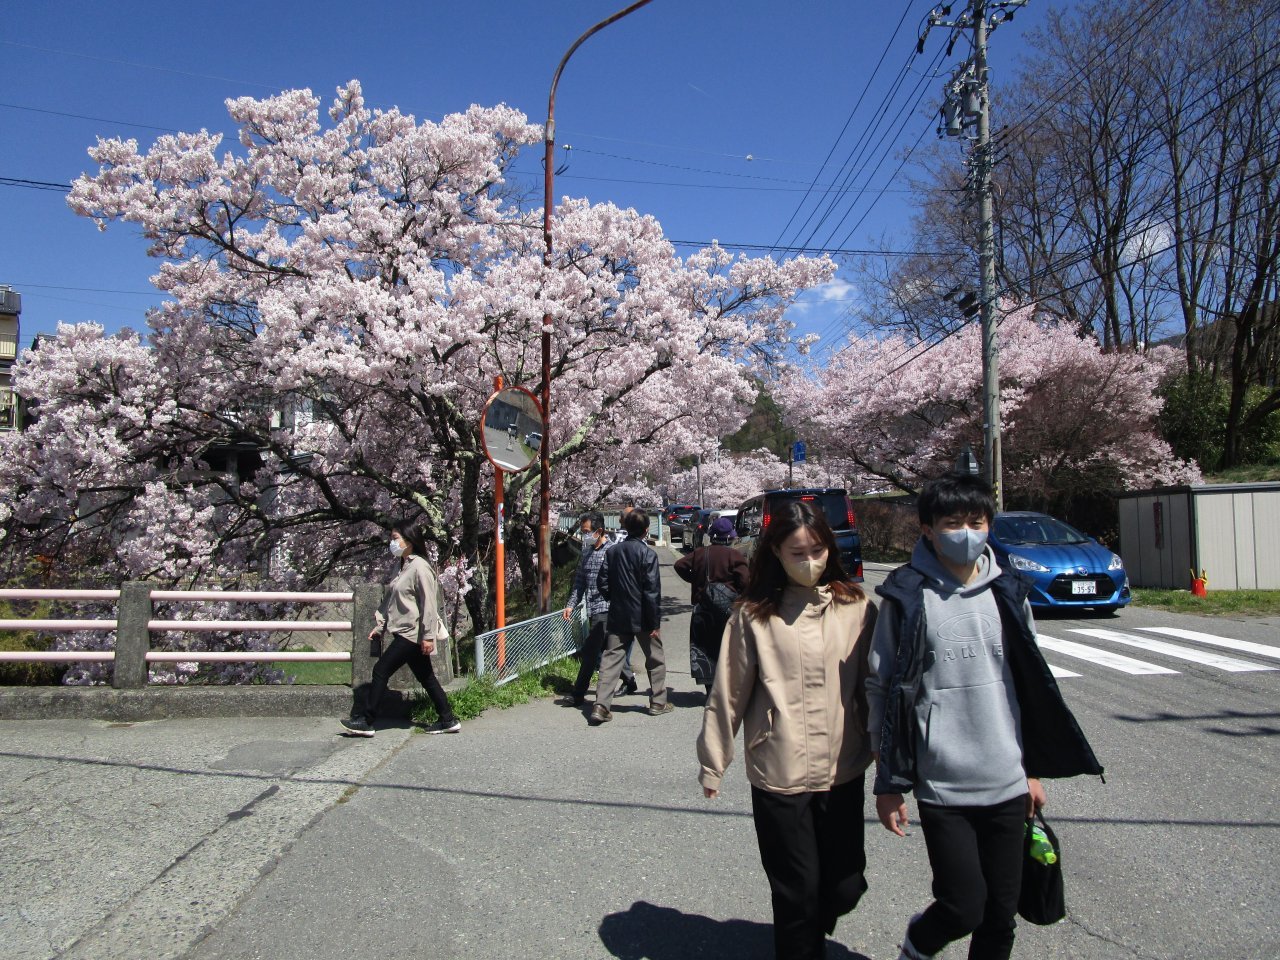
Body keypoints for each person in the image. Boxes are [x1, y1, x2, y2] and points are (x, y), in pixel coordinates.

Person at [866, 472, 1103, 960]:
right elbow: (882, 685)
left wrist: (1031, 770)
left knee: (1000, 914)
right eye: (952, 522)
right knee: (963, 906)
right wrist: (887, 782)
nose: (966, 531)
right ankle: (917, 944)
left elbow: (1028, 685)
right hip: (942, 781)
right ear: (928, 529)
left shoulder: (1008, 592)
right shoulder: (906, 595)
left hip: (1007, 779)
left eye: (976, 521)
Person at [697, 500, 878, 960]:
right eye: (798, 553)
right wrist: (713, 763)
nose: (810, 562)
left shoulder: (856, 607)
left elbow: (875, 688)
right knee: (795, 893)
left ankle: (815, 924)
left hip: (843, 765)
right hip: (779, 770)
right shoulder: (753, 615)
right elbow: (728, 692)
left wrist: (893, 758)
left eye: (817, 551)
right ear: (775, 552)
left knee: (845, 884)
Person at [341, 520, 461, 737]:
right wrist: (380, 627)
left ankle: (367, 721)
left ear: (409, 540)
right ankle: (447, 719)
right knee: (426, 677)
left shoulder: (420, 567)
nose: (392, 542)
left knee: (380, 671)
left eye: (395, 538)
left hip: (411, 633)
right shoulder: (402, 566)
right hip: (405, 631)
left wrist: (427, 636)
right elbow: (391, 601)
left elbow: (429, 604)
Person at [589, 508, 668, 724]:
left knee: (611, 658)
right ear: (646, 530)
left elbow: (601, 582)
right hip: (643, 615)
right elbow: (652, 591)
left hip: (618, 613)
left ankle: (601, 706)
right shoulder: (648, 554)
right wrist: (655, 622)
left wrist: (614, 598)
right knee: (655, 658)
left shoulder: (613, 552)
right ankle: (658, 702)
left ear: (625, 527)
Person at [674, 515, 748, 693]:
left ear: (712, 535)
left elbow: (679, 565)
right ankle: (727, 688)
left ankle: (710, 689)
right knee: (729, 649)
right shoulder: (734, 555)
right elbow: (746, 581)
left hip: (702, 607)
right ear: (730, 537)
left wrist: (695, 581)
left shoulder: (701, 553)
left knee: (704, 648)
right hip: (728, 610)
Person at [562, 512, 612, 708]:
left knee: (591, 651)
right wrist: (570, 604)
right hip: (592, 609)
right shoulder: (586, 551)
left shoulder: (612, 551)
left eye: (586, 532)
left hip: (607, 608)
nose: (584, 535)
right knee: (609, 650)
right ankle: (629, 679)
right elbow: (579, 582)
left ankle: (578, 694)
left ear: (598, 531)